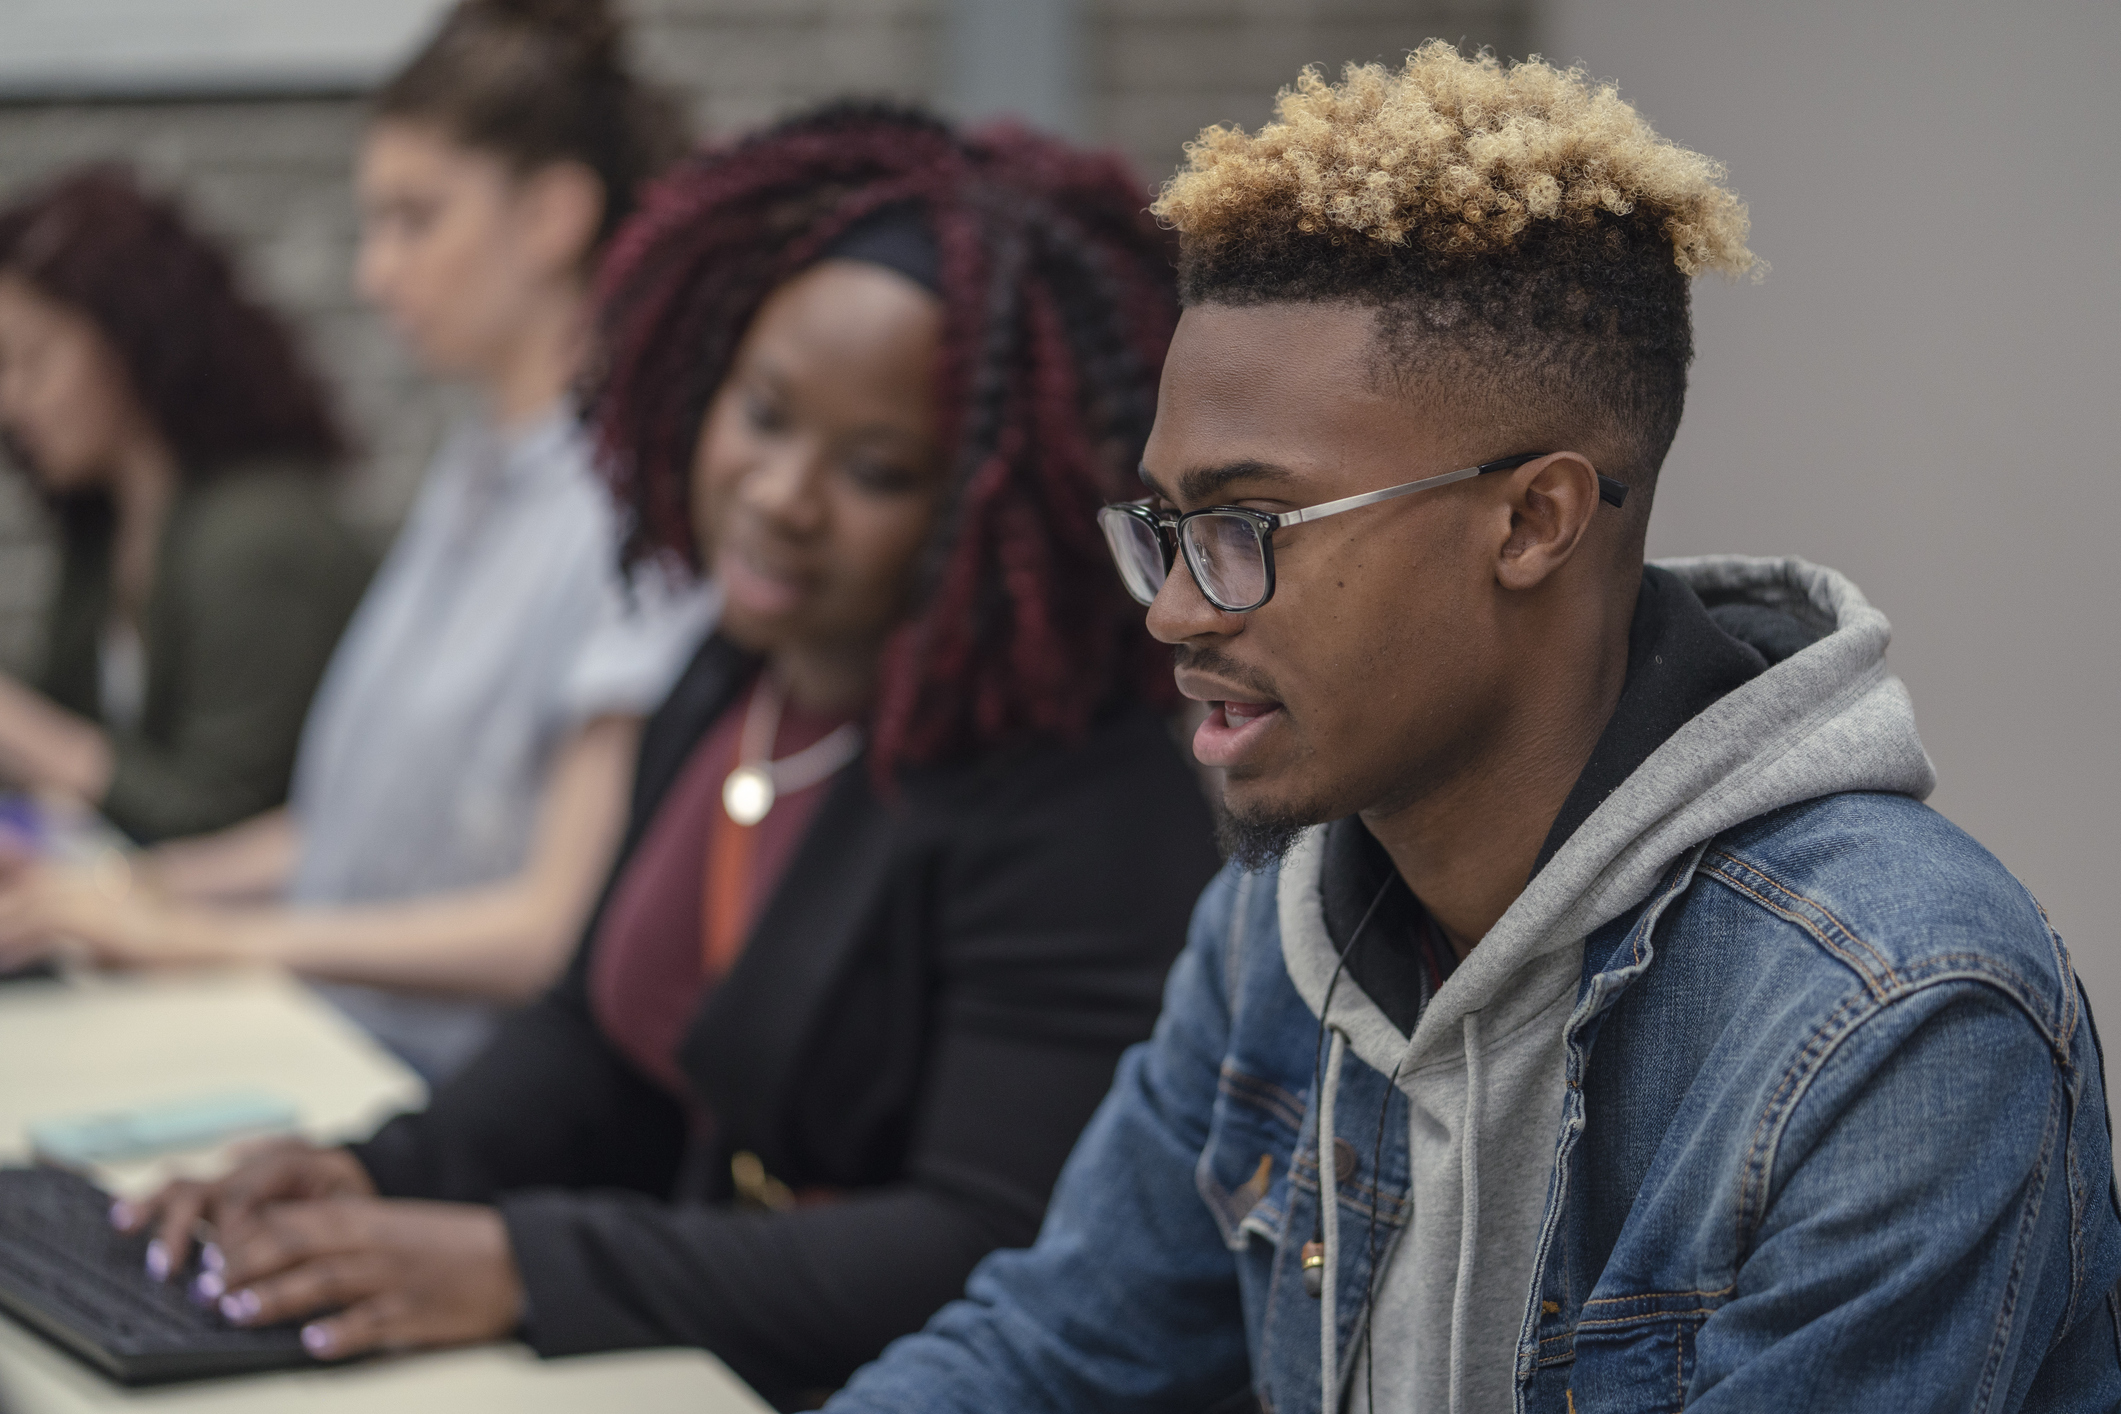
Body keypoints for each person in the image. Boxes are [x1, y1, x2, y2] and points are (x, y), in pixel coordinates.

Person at [824, 45, 2121, 1414]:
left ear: (1533, 521)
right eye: (1165, 530)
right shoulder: (1278, 931)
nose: (1174, 614)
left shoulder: (1895, 1019)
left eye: (1246, 528)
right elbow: (1049, 1355)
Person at [111, 104, 1222, 1409]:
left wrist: (519, 1262)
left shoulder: (1073, 796)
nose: (780, 491)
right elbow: (598, 1035)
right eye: (763, 414)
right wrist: (373, 1172)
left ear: (996, 498)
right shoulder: (730, 675)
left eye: (873, 467)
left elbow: (977, 1240)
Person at [0, 0, 712, 1080]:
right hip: (332, 1041)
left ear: (554, 217)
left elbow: (547, 928)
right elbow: (358, 842)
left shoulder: (627, 502)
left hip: (444, 1098)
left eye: (414, 219)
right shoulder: (480, 463)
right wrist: (133, 893)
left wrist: (208, 936)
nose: (375, 271)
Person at [0, 166, 371, 844]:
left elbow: (224, 814)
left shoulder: (260, 537)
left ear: (128, 341)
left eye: (35, 359)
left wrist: (23, 731)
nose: (12, 399)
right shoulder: (107, 523)